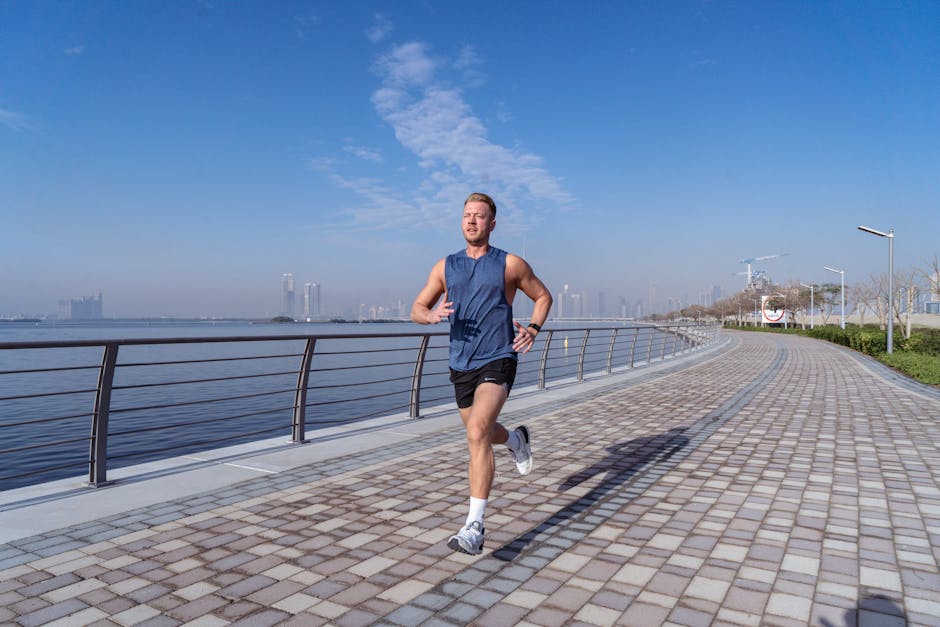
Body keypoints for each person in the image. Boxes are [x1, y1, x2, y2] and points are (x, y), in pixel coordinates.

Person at [411, 192, 553, 555]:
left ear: (492, 223)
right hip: (461, 364)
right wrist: (429, 316)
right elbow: (417, 306)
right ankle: (516, 440)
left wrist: (533, 329)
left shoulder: (510, 264)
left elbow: (543, 296)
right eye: (466, 215)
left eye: (479, 216)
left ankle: (474, 526)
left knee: (476, 431)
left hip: (499, 357)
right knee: (483, 434)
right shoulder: (445, 267)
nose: (471, 221)